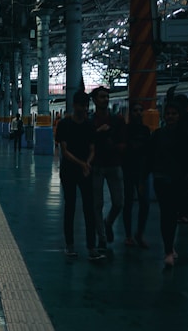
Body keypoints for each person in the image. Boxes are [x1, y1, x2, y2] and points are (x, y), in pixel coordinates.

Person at [55, 90, 105, 261]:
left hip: (85, 170)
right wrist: (83, 164)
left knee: (88, 208)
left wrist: (88, 163)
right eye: (82, 105)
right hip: (69, 170)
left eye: (86, 105)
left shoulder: (90, 126)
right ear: (74, 105)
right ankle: (70, 245)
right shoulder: (64, 124)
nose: (84, 109)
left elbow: (92, 149)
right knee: (70, 206)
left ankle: (92, 247)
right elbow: (64, 151)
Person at [145, 101, 188, 268]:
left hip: (178, 180)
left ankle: (169, 246)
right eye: (168, 114)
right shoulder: (158, 135)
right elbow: (150, 157)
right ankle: (168, 250)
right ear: (164, 116)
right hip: (162, 179)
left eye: (174, 114)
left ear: (179, 116)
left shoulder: (185, 135)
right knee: (167, 213)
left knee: (171, 214)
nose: (171, 117)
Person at [90, 86, 126, 250]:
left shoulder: (117, 120)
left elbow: (122, 141)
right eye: (102, 97)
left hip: (114, 164)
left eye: (107, 96)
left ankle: (108, 222)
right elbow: (88, 142)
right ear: (95, 100)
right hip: (96, 165)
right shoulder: (90, 122)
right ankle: (102, 238)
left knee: (119, 202)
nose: (105, 99)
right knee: (97, 204)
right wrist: (98, 132)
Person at [122, 102, 150, 248]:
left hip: (142, 171)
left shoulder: (145, 130)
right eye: (135, 110)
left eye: (140, 110)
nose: (138, 113)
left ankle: (139, 233)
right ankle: (128, 235)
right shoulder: (126, 130)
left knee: (144, 204)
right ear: (130, 113)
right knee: (128, 203)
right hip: (128, 170)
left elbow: (148, 151)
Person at [174, 93, 188, 224]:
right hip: (187, 157)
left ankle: (184, 213)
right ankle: (187, 214)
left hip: (183, 159)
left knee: (184, 188)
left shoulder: (185, 119)